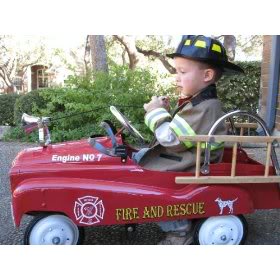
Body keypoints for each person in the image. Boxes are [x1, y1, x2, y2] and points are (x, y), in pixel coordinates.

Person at [136, 35, 244, 245]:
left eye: (182, 72)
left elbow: (172, 140)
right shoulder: (200, 102)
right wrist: (165, 112)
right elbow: (180, 131)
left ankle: (179, 229)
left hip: (192, 164)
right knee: (138, 157)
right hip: (188, 157)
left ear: (207, 75)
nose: (176, 77)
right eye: (177, 71)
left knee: (149, 183)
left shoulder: (205, 106)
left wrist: (155, 112)